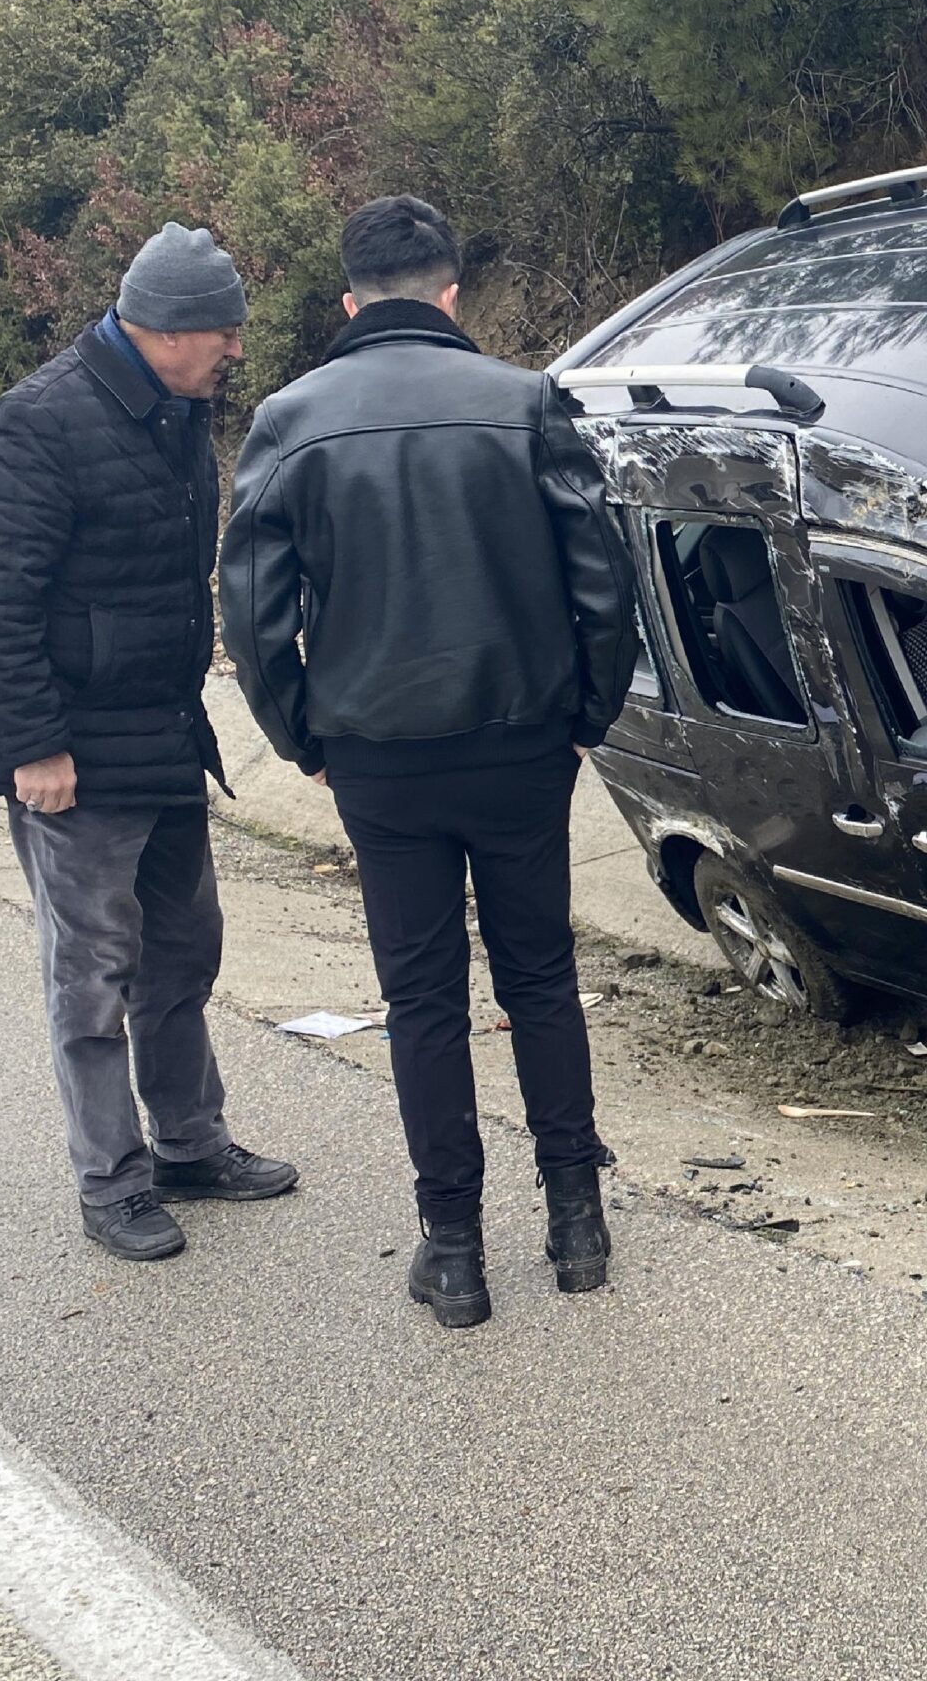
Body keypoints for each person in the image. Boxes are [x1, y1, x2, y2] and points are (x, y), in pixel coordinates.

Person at [218, 196, 638, 1329]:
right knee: (540, 975)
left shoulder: (291, 418)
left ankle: (453, 1252)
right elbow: (602, 574)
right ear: (452, 293)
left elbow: (251, 609)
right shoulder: (525, 401)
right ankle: (576, 1226)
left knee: (420, 1000)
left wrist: (300, 732)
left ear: (350, 300)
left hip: (377, 754)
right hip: (520, 742)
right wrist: (589, 710)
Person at [0, 224, 300, 1261]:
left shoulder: (173, 410)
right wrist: (34, 746)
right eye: (223, 333)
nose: (236, 350)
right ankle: (111, 1180)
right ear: (163, 330)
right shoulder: (42, 420)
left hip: (163, 734)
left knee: (184, 952)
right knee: (92, 973)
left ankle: (191, 1143)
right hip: (72, 757)